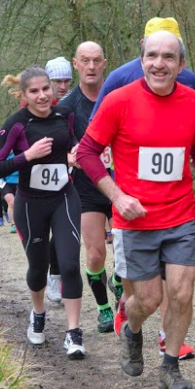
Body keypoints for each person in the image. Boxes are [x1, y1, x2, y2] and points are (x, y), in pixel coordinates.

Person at [77, 30, 195, 389]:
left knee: (183, 294)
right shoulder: (119, 101)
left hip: (181, 216)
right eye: (152, 56)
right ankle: (132, 328)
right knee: (148, 300)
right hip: (134, 219)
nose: (159, 63)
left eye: (168, 57)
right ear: (142, 62)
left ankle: (170, 366)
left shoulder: (194, 102)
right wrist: (116, 196)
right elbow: (87, 153)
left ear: (181, 65)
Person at [0, 66, 87, 359]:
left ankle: (73, 332)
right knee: (38, 267)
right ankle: (39, 313)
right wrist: (27, 157)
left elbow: (77, 145)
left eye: (46, 88)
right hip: (30, 204)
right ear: (23, 95)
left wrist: (75, 154)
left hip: (64, 197)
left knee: (69, 263)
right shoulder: (17, 124)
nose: (43, 95)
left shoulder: (65, 116)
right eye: (34, 91)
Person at [56, 41, 121, 335]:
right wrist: (68, 157)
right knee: (95, 253)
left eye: (96, 60)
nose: (92, 66)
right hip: (86, 188)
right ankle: (104, 309)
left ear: (104, 63)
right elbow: (53, 148)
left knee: (127, 252)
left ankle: (119, 283)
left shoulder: (120, 96)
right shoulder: (66, 108)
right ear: (76, 64)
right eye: (86, 61)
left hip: (123, 184)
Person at [42, 56, 74, 303]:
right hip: (43, 176)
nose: (62, 86)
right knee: (49, 232)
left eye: (66, 80)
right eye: (57, 81)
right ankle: (51, 275)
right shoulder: (36, 106)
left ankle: (59, 274)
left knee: (66, 230)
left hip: (73, 174)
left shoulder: (75, 103)